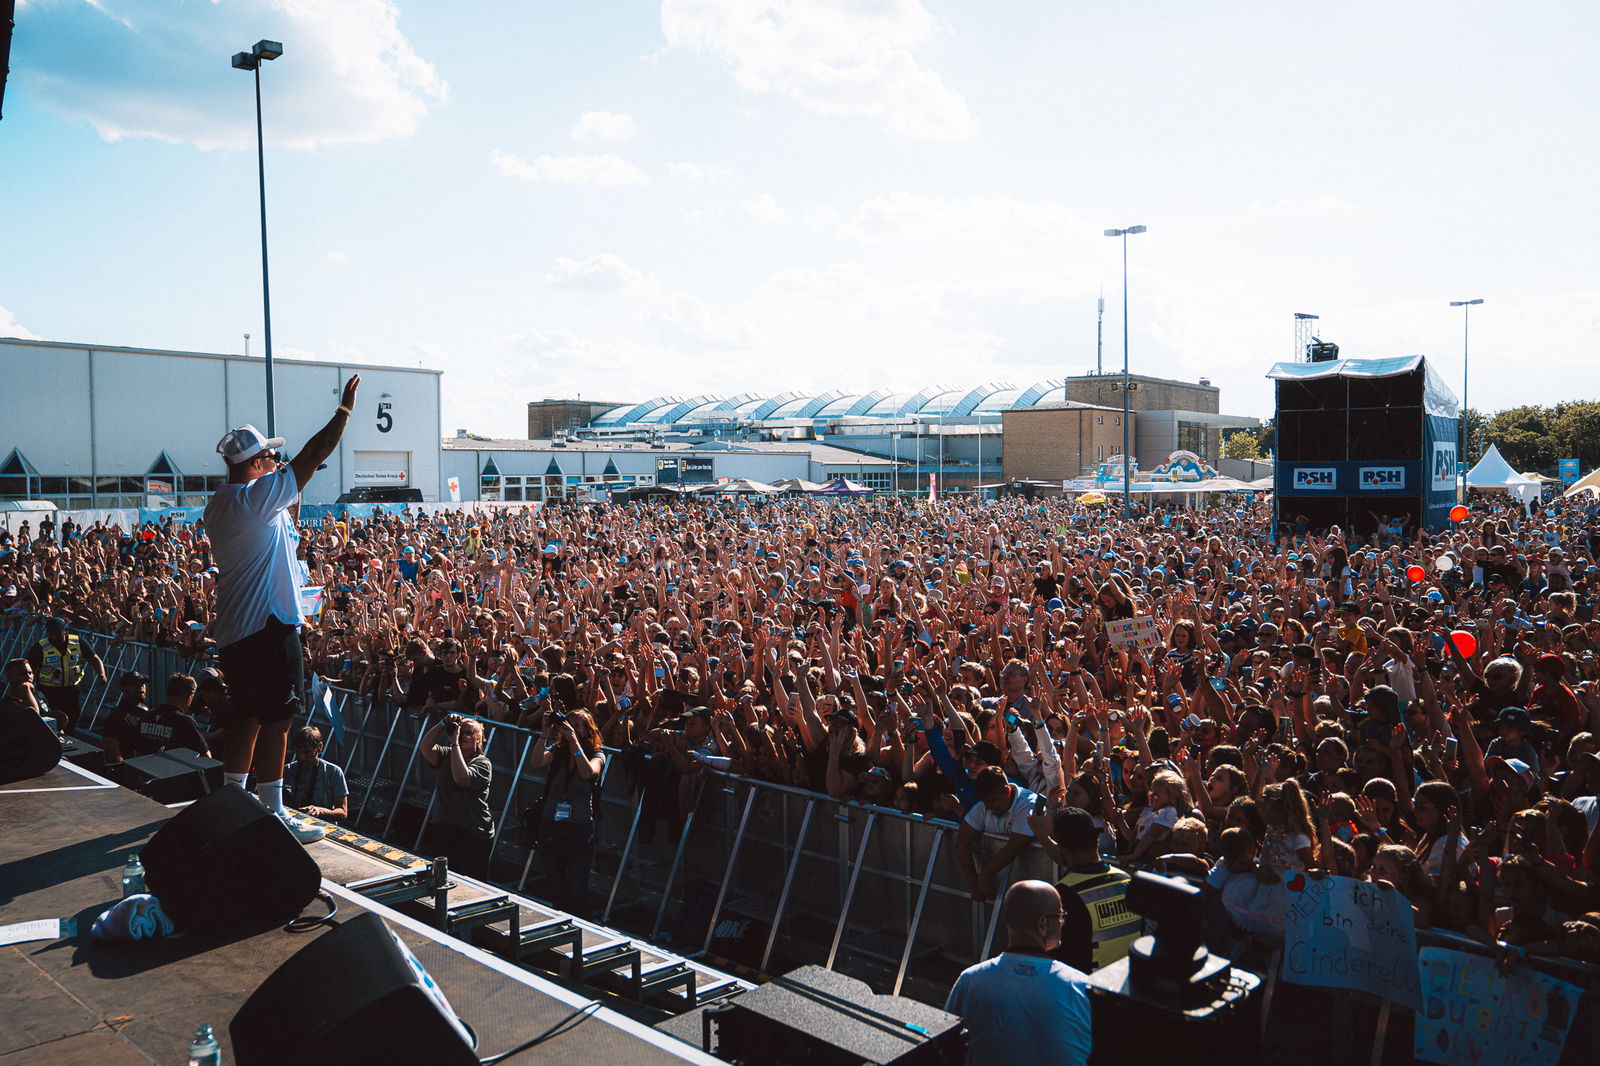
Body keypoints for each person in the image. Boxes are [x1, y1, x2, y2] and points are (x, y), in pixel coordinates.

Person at [205, 374, 359, 844]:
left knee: (248, 716)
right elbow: (312, 457)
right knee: (279, 719)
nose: (277, 463)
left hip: (236, 633)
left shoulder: (220, 505)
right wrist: (344, 412)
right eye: (270, 458)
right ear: (254, 464)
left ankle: (234, 799)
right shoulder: (255, 499)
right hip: (268, 632)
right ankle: (272, 812)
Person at [945, 879, 1093, 1066]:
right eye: (1060, 916)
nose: (1062, 922)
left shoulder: (970, 981)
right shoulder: (1080, 987)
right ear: (1043, 924)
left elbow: (946, 1044)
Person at [1030, 806, 1140, 973]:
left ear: (1060, 846)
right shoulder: (1127, 881)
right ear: (1097, 839)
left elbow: (1055, 958)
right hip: (1127, 987)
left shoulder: (1062, 895)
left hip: (1088, 993)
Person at [529, 708, 605, 916]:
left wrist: (575, 743)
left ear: (587, 730)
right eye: (568, 724)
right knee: (554, 878)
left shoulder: (596, 753)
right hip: (552, 820)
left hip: (579, 824)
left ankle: (579, 920)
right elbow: (536, 762)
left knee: (577, 881)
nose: (570, 728)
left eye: (576, 725)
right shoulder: (558, 749)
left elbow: (588, 772)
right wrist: (545, 733)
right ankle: (558, 915)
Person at [420, 713, 494, 878]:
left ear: (479, 739)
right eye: (461, 732)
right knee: (446, 877)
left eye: (469, 733)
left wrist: (454, 743)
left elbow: (462, 779)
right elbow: (425, 747)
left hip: (473, 831)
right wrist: (443, 722)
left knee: (472, 882)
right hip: (446, 825)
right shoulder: (448, 753)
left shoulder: (482, 763)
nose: (464, 736)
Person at [104, 673, 209, 762]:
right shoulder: (117, 716)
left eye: (143, 684)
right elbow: (111, 749)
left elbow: (138, 752)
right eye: (135, 684)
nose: (141, 687)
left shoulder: (147, 714)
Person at [27, 617, 106, 735]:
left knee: (72, 718)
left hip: (72, 690)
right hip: (48, 691)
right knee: (52, 721)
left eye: (57, 633)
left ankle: (70, 740)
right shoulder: (39, 648)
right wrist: (28, 687)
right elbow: (29, 670)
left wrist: (102, 674)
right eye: (51, 633)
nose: (54, 637)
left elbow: (94, 659)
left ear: (64, 631)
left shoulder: (78, 643)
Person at [283, 725, 349, 822]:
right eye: (298, 752)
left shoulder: (334, 772)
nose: (301, 757)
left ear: (319, 747)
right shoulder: (287, 770)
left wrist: (320, 811)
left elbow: (343, 812)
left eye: (307, 752)